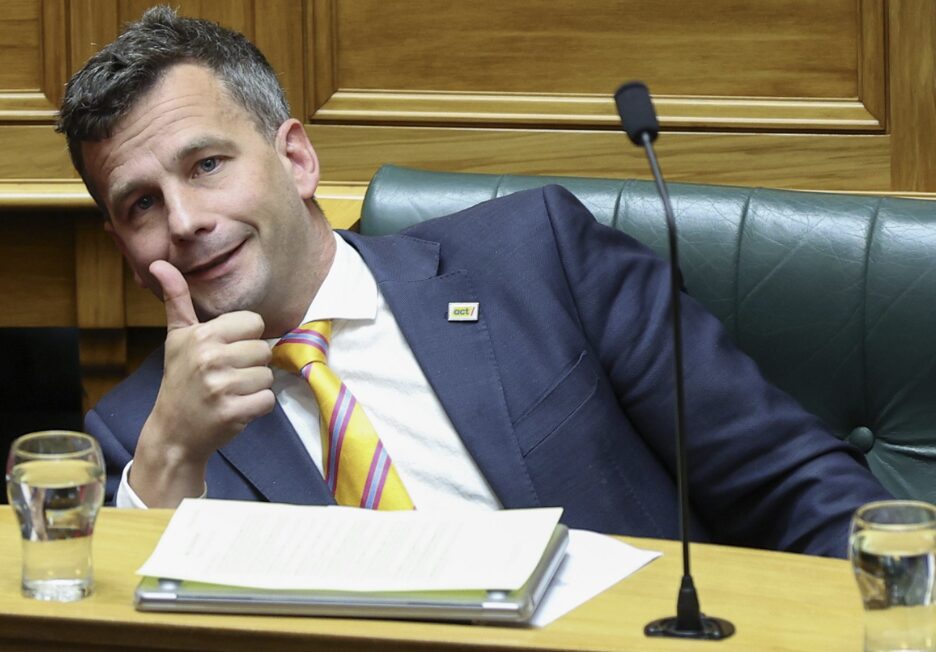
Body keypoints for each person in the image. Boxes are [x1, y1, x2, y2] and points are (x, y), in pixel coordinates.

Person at [57, 6, 890, 557]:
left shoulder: (535, 258)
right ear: (123, 246)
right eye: (141, 204)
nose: (186, 220)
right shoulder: (135, 440)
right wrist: (171, 457)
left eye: (207, 164)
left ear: (297, 159)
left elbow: (789, 482)